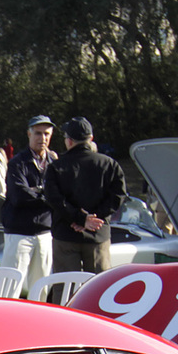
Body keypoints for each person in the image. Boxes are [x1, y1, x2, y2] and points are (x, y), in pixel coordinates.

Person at [44, 117, 125, 273]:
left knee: (66, 288)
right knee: (97, 288)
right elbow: (118, 196)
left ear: (69, 141)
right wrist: (94, 219)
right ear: (91, 139)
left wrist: (79, 219)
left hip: (66, 234)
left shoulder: (56, 167)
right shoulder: (109, 164)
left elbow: (54, 198)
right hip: (97, 235)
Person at [1, 115, 58, 289]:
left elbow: (61, 194)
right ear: (29, 134)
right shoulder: (18, 163)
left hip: (45, 233)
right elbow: (19, 196)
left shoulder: (54, 162)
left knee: (40, 288)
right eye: (38, 133)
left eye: (46, 134)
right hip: (19, 233)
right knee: (10, 287)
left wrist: (37, 191)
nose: (43, 138)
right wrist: (48, 196)